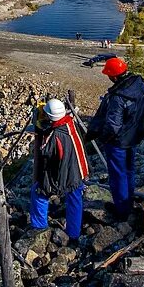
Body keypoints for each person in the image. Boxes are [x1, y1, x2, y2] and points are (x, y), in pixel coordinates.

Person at [88, 56, 144, 221]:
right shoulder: (140, 85)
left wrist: (104, 138)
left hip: (118, 142)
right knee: (129, 171)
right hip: (133, 136)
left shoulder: (118, 97)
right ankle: (127, 201)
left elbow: (113, 126)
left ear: (114, 76)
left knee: (117, 175)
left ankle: (122, 210)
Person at [29, 97, 89, 239]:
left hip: (66, 173)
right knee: (75, 199)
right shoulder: (70, 123)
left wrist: (39, 126)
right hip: (79, 169)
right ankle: (74, 234)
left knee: (38, 193)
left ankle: (39, 228)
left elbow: (45, 153)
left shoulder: (55, 135)